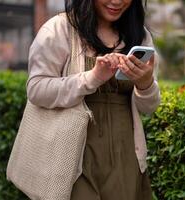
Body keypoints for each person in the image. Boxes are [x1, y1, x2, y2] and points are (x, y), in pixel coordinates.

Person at [26, 0, 161, 199]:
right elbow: (36, 89)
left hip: (125, 158)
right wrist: (93, 78)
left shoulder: (139, 36)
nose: (117, 1)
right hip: (73, 159)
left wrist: (145, 83)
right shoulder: (60, 29)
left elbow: (148, 107)